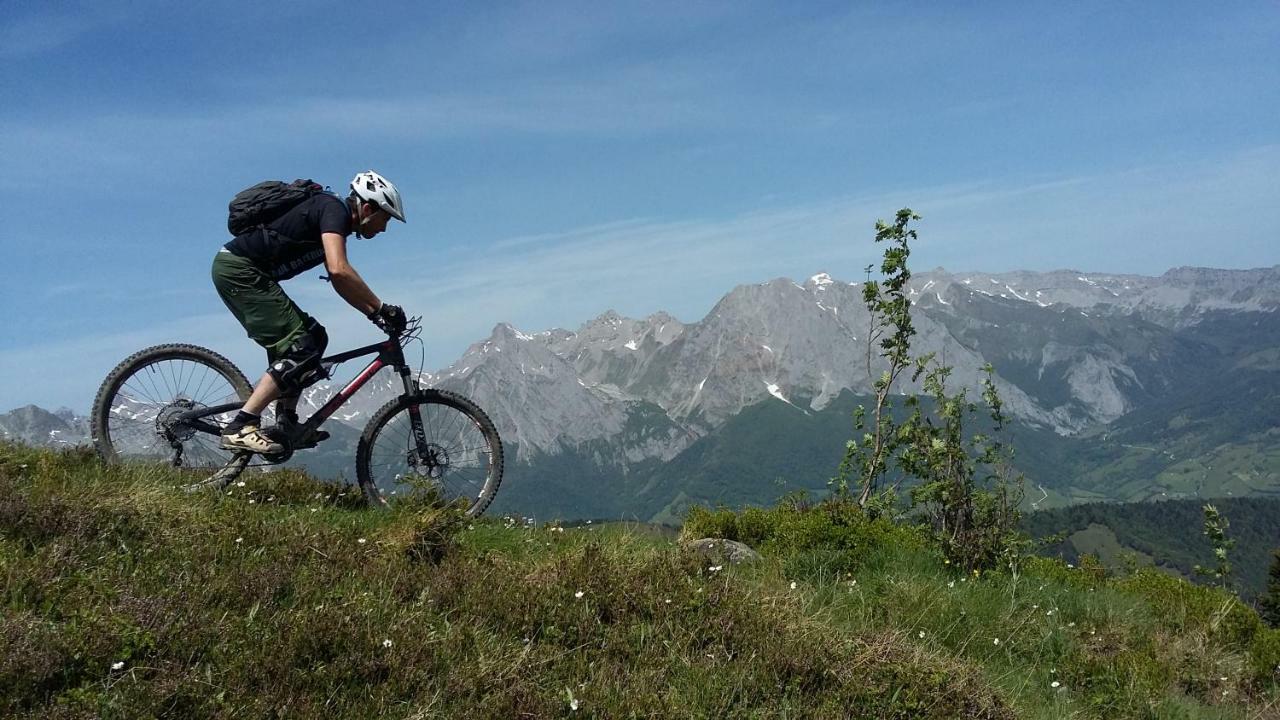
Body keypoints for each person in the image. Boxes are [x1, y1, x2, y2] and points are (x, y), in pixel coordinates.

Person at [211, 170, 408, 454]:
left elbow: (340, 282)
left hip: (248, 274)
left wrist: (374, 315)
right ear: (367, 208)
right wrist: (382, 307)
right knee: (301, 347)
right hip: (239, 272)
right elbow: (339, 269)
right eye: (385, 218)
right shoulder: (333, 210)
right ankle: (241, 424)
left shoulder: (333, 215)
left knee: (315, 337)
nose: (384, 228)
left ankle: (286, 424)